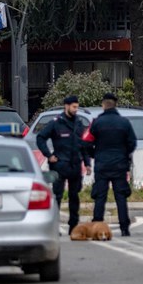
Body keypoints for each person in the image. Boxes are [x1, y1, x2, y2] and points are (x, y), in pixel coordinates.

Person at [35, 95, 92, 233]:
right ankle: (54, 227)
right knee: (57, 197)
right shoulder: (56, 123)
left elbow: (83, 145)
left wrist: (87, 163)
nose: (75, 110)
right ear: (66, 106)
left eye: (77, 107)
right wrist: (49, 155)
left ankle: (73, 226)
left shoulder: (78, 123)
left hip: (75, 165)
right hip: (60, 165)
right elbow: (40, 138)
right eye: (73, 107)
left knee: (74, 196)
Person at [87, 92, 138, 237]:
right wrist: (123, 155)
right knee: (121, 197)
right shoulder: (124, 122)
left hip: (102, 165)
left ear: (103, 105)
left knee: (100, 197)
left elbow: (86, 142)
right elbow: (132, 143)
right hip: (119, 165)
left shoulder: (97, 123)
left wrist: (94, 154)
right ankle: (124, 228)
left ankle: (96, 225)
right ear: (115, 104)